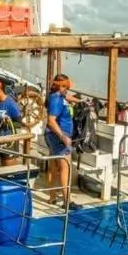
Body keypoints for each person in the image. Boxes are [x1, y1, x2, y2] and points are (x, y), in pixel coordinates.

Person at [44, 73, 75, 205]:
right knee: (65, 167)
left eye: (67, 86)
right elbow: (51, 120)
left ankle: (52, 197)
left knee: (53, 166)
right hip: (59, 136)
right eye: (64, 86)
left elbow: (67, 97)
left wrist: (80, 101)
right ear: (58, 86)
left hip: (51, 135)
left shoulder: (59, 96)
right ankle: (67, 201)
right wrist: (63, 137)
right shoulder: (56, 99)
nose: (67, 88)